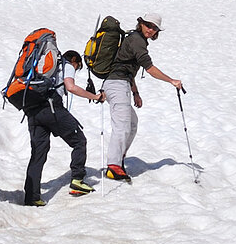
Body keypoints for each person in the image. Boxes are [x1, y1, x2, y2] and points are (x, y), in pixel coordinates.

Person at [101, 14, 184, 182]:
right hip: (117, 84)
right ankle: (113, 166)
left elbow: (127, 68)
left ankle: (119, 158)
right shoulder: (137, 40)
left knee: (131, 124)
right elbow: (149, 68)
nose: (150, 29)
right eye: (148, 25)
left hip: (120, 84)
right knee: (122, 126)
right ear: (141, 24)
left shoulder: (136, 39)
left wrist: (135, 93)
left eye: (154, 28)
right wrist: (171, 81)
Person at [21, 50, 102, 206]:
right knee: (79, 140)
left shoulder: (42, 66)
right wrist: (95, 97)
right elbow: (70, 87)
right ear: (74, 60)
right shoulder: (65, 64)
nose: (76, 69)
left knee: (38, 153)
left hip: (33, 110)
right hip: (52, 107)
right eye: (77, 66)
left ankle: (32, 196)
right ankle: (77, 180)